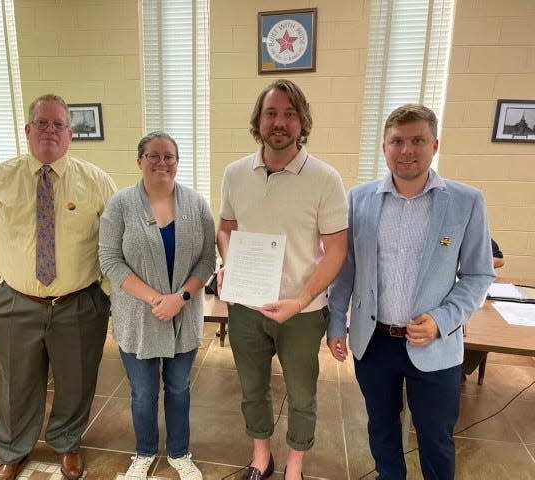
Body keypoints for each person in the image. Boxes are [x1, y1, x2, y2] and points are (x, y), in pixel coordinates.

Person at [327, 104, 496, 479]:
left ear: (434, 145)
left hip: (434, 345)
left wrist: (441, 320)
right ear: (384, 147)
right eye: (397, 141)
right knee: (381, 429)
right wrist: (336, 321)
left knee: (435, 438)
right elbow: (346, 268)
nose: (407, 150)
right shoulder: (359, 199)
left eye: (417, 140)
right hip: (374, 342)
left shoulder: (466, 202)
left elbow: (478, 274)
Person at [0, 94, 116, 480]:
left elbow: (115, 242)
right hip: (16, 302)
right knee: (16, 382)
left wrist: (105, 290)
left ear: (71, 134)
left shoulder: (97, 182)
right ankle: (13, 449)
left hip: (79, 303)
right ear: (28, 130)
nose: (50, 130)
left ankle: (67, 443)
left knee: (76, 381)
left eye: (59, 125)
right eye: (42, 123)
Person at [216, 79, 348, 480]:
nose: (280, 121)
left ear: (303, 121)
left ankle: (295, 464)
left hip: (303, 311)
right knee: (252, 389)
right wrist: (229, 263)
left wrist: (301, 299)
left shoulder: (325, 178)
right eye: (271, 112)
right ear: (258, 119)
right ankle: (261, 457)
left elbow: (337, 250)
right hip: (246, 307)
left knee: (303, 393)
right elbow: (226, 227)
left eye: (290, 113)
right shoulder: (235, 173)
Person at [98, 131, 216, 480]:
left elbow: (208, 259)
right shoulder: (120, 205)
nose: (162, 162)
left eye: (169, 156)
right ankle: (145, 452)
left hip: (184, 315)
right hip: (138, 317)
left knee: (179, 388)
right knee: (144, 392)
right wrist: (155, 299)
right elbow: (109, 260)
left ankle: (179, 452)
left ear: (178, 162)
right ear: (140, 161)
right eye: (153, 155)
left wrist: (179, 299)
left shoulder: (196, 204)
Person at [461, 238, 504, 382]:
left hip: (474, 288)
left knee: (483, 332)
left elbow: (500, 260)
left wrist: (479, 264)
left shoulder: (481, 236)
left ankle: (463, 368)